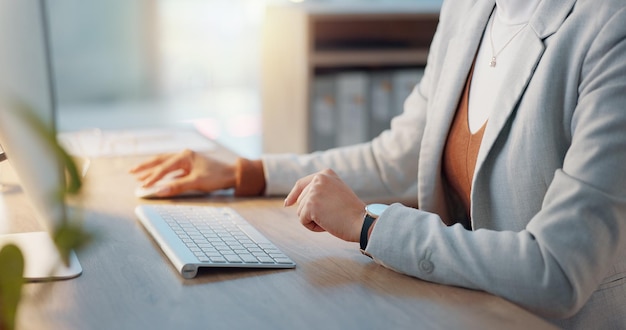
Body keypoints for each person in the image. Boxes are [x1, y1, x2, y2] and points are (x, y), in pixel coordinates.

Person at [130, 0, 626, 328]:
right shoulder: (472, 8)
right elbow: (398, 158)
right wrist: (247, 172)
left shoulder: (609, 27)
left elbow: (557, 273)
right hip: (456, 307)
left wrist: (371, 227)